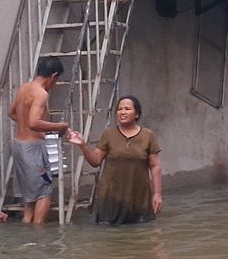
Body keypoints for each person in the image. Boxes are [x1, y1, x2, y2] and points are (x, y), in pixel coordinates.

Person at [68, 95, 162, 225]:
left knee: (141, 236)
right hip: (111, 198)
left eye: (127, 109)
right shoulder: (109, 134)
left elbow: (155, 166)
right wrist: (82, 145)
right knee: (109, 237)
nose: (122, 112)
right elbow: (95, 162)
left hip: (138, 198)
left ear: (137, 114)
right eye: (119, 109)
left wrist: (157, 194)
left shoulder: (147, 135)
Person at [8, 56, 70, 224]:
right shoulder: (41, 94)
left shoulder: (24, 88)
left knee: (30, 196)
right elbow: (34, 122)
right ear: (54, 75)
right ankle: (39, 238)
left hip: (19, 145)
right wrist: (59, 126)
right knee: (44, 192)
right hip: (33, 149)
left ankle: (27, 232)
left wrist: (26, 125)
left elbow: (11, 112)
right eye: (56, 80)